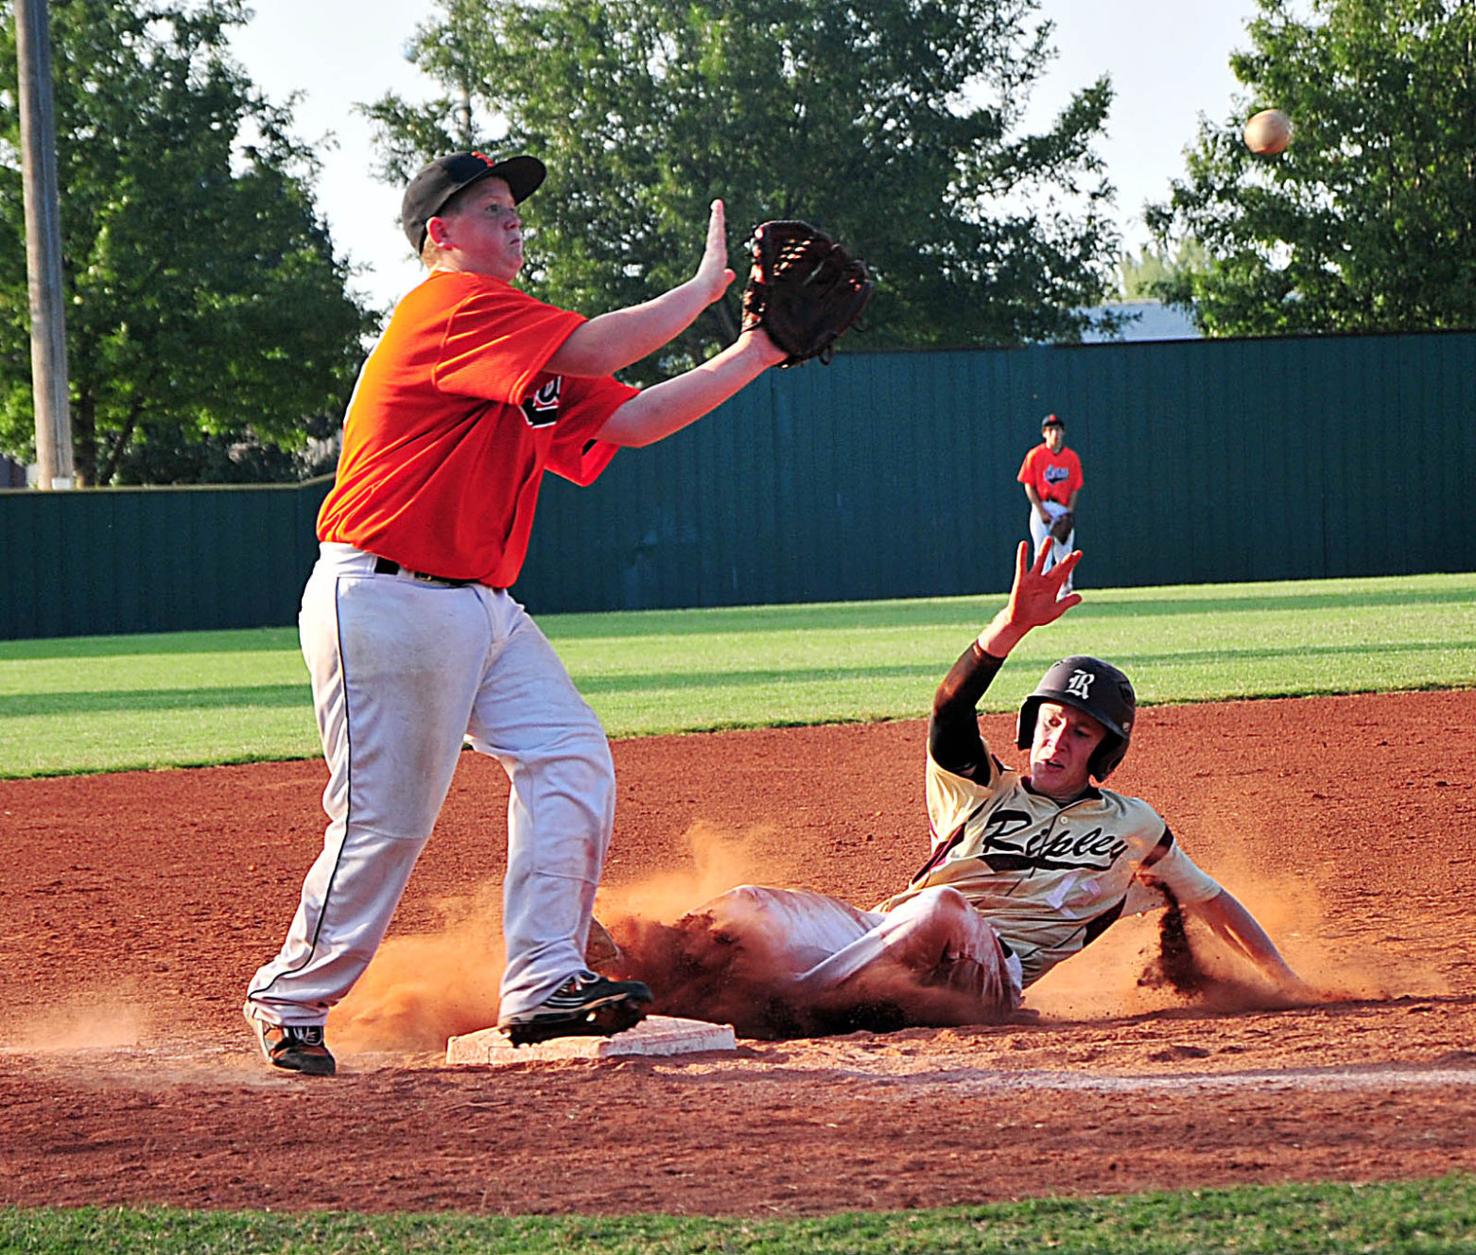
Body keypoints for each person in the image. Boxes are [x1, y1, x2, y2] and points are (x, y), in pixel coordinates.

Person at [243, 151, 788, 1075]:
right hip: (387, 595)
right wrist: (703, 290)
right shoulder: (449, 308)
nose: (513, 222)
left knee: (568, 753)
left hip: (480, 604)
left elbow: (635, 419)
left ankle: (542, 978)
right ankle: (289, 996)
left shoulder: (513, 343)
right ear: (440, 234)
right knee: (385, 821)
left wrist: (758, 352)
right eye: (493, 209)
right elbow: (600, 348)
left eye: (513, 209)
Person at [676, 542, 1308, 1030]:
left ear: (1105, 751)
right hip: (888, 930)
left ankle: (783, 1009)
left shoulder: (1131, 825)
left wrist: (1284, 980)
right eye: (1052, 722)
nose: (1059, 741)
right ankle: (647, 977)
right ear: (1031, 727)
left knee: (943, 910)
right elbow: (950, 710)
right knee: (751, 904)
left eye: (1081, 732)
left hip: (990, 973)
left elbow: (1211, 901)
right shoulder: (981, 788)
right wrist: (1010, 625)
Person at [1017, 413, 1083, 590]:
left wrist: (1068, 512)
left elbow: (1075, 487)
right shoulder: (1035, 455)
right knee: (1042, 552)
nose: (1055, 433)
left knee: (1064, 553)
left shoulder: (1071, 458)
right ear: (1044, 433)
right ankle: (1041, 592)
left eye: (1058, 429)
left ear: (1063, 432)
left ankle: (1064, 591)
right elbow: (1029, 485)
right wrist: (1041, 511)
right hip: (1042, 505)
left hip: (1061, 507)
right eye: (1050, 429)